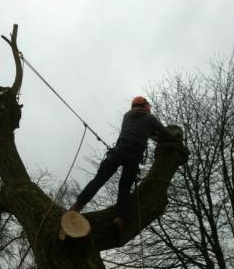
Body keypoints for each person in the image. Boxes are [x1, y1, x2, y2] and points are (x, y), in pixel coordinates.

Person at [69, 96, 177, 233]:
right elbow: (164, 133)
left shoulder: (127, 116)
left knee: (98, 180)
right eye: (148, 105)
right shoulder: (150, 118)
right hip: (133, 157)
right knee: (124, 189)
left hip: (118, 152)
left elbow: (143, 131)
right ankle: (119, 219)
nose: (150, 107)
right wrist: (174, 137)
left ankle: (77, 206)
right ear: (144, 105)